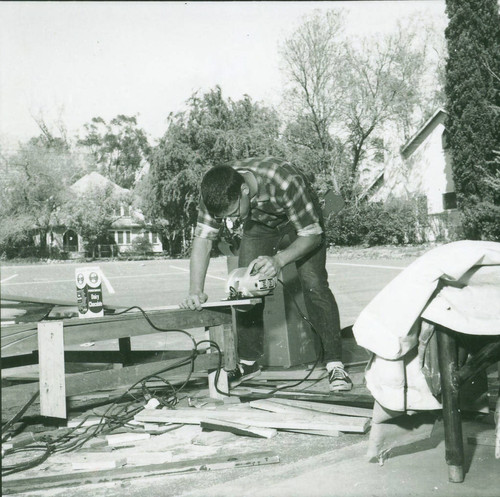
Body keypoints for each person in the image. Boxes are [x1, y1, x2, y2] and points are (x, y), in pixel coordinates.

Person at [180, 156, 352, 391]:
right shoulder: (215, 191)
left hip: (300, 224)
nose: (230, 222)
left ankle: (334, 364)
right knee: (243, 287)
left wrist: (279, 260)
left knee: (314, 283)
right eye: (225, 218)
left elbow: (312, 236)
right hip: (260, 223)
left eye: (232, 213)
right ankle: (248, 362)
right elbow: (203, 240)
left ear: (243, 190)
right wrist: (195, 290)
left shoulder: (285, 181)